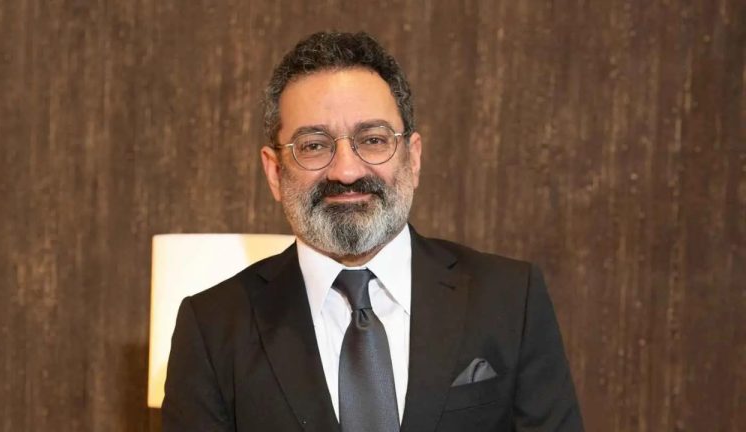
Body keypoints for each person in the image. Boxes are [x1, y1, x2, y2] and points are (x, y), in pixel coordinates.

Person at [162, 31, 583, 432]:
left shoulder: (510, 299)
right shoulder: (214, 328)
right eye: (314, 145)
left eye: (373, 140)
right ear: (274, 172)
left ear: (412, 159)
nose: (346, 171)